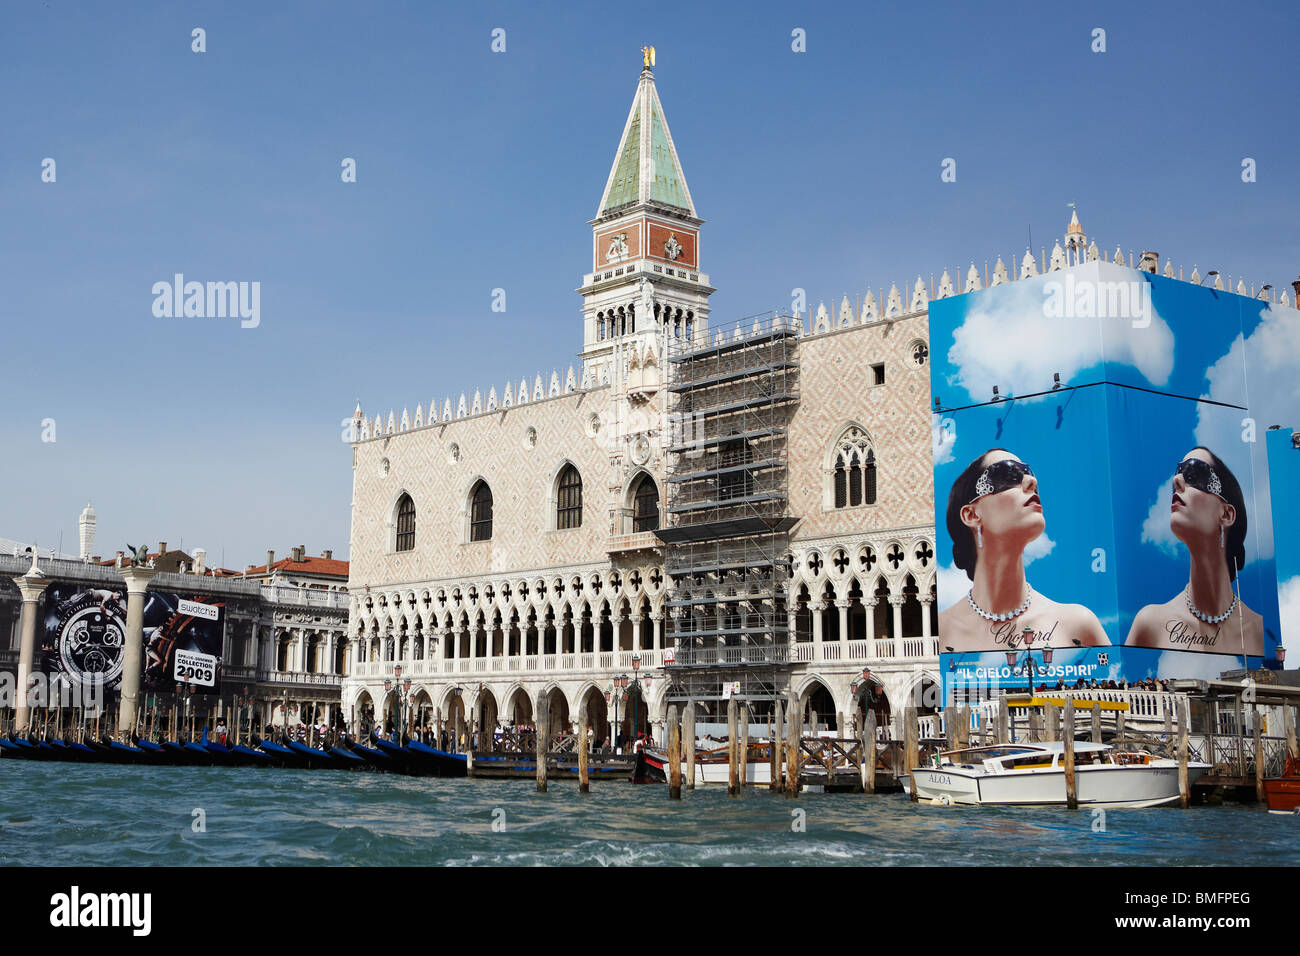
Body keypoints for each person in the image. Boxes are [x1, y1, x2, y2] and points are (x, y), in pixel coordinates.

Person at [937, 448, 1110, 652]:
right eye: (1008, 474)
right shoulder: (944, 629)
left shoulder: (1078, 624)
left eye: (1030, 473)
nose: (1031, 482)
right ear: (971, 514)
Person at [1126, 448, 1265, 657]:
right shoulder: (1150, 624)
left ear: (1226, 514)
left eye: (1194, 473)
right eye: (1178, 471)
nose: (1177, 481)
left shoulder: (1258, 632)